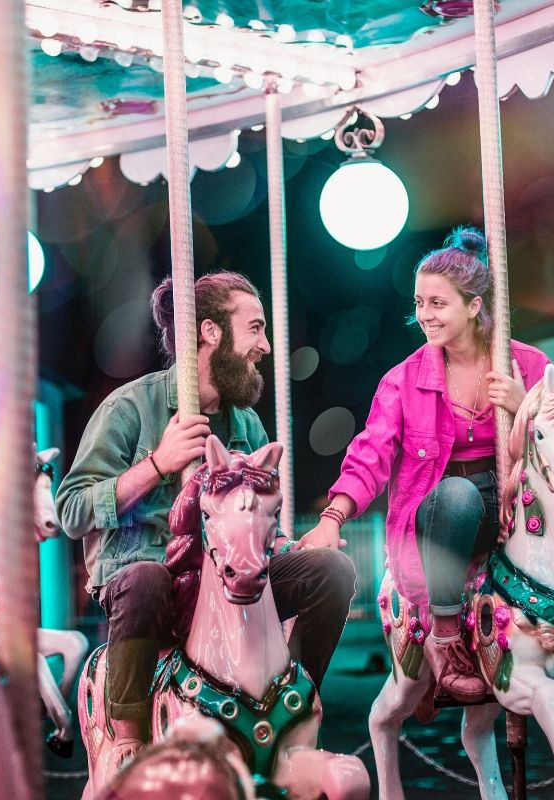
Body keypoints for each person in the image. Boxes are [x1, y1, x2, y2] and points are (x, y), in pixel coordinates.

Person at [298, 226, 554, 703]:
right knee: (459, 496)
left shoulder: (528, 364)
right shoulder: (404, 380)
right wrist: (333, 519)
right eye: (419, 303)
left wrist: (523, 404)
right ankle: (446, 636)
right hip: (446, 514)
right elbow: (370, 453)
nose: (424, 315)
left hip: (519, 499)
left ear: (474, 306)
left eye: (437, 303)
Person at [57, 270, 356, 770]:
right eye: (255, 328)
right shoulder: (131, 407)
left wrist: (286, 547)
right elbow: (71, 510)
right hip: (151, 577)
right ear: (211, 331)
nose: (264, 345)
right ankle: (127, 738)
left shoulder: (246, 423)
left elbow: (260, 527)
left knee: (332, 571)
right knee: (146, 579)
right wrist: (157, 465)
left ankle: (294, 706)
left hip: (226, 579)